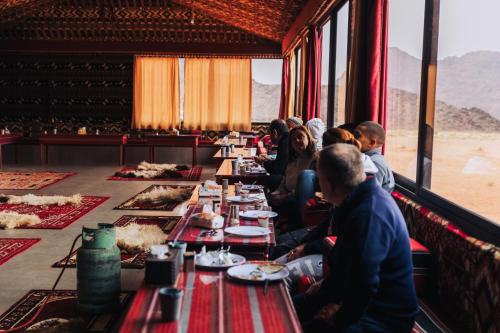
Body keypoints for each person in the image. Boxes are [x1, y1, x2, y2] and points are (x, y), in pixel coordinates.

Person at [294, 144, 418, 332]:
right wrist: (323, 287)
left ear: (331, 183)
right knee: (286, 307)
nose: (318, 184)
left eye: (319, 178)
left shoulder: (369, 213)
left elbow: (366, 281)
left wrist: (341, 316)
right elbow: (345, 265)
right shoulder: (355, 200)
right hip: (357, 297)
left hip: (382, 314)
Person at [269, 126, 317, 229]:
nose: (297, 141)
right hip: (287, 197)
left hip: (300, 202)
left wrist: (284, 197)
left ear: (308, 138)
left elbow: (305, 190)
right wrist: (277, 192)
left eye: (300, 137)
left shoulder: (315, 159)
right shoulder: (293, 160)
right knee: (266, 203)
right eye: (293, 139)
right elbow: (284, 182)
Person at [354, 121, 395, 192]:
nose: (352, 139)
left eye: (357, 135)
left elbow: (370, 194)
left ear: (372, 143)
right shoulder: (364, 158)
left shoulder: (374, 163)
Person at [256, 119, 289, 191]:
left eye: (270, 134)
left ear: (275, 133)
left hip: (291, 178)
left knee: (271, 179)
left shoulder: (284, 142)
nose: (270, 138)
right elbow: (281, 162)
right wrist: (267, 160)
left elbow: (277, 169)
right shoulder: (286, 139)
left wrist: (262, 162)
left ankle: (271, 199)